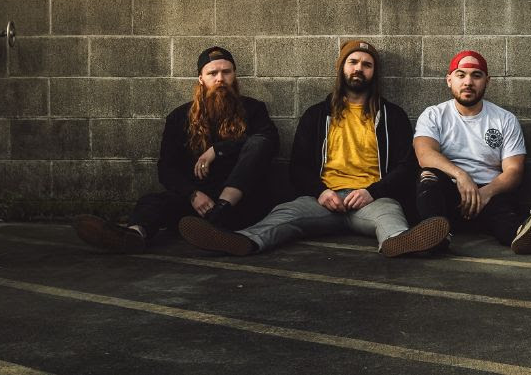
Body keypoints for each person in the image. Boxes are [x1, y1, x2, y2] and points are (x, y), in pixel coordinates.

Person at [179, 40, 449, 257]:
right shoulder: (317, 115)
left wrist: (372, 192)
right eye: (352, 62)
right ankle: (242, 241)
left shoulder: (393, 116)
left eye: (367, 64)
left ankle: (400, 243)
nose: (359, 68)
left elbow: (406, 165)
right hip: (323, 200)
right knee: (282, 215)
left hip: (372, 200)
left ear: (373, 73)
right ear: (341, 68)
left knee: (392, 220)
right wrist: (321, 192)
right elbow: (298, 166)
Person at [73, 46, 278, 252]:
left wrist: (217, 150)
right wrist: (192, 194)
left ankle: (221, 221)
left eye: (226, 72)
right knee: (152, 202)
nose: (220, 79)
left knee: (258, 143)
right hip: (200, 203)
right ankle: (133, 236)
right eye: (212, 73)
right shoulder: (179, 117)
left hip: (240, 202)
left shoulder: (253, 109)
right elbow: (166, 168)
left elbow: (268, 141)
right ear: (200, 79)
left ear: (234, 75)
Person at [413, 50, 531, 254]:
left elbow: (514, 171)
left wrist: (485, 193)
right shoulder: (433, 115)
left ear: (487, 81)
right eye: (461, 75)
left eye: (476, 75)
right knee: (428, 176)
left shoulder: (504, 119)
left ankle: (522, 233)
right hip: (450, 193)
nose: (468, 82)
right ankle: (435, 236)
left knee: (504, 215)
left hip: (490, 194)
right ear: (449, 80)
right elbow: (425, 154)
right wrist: (461, 176)